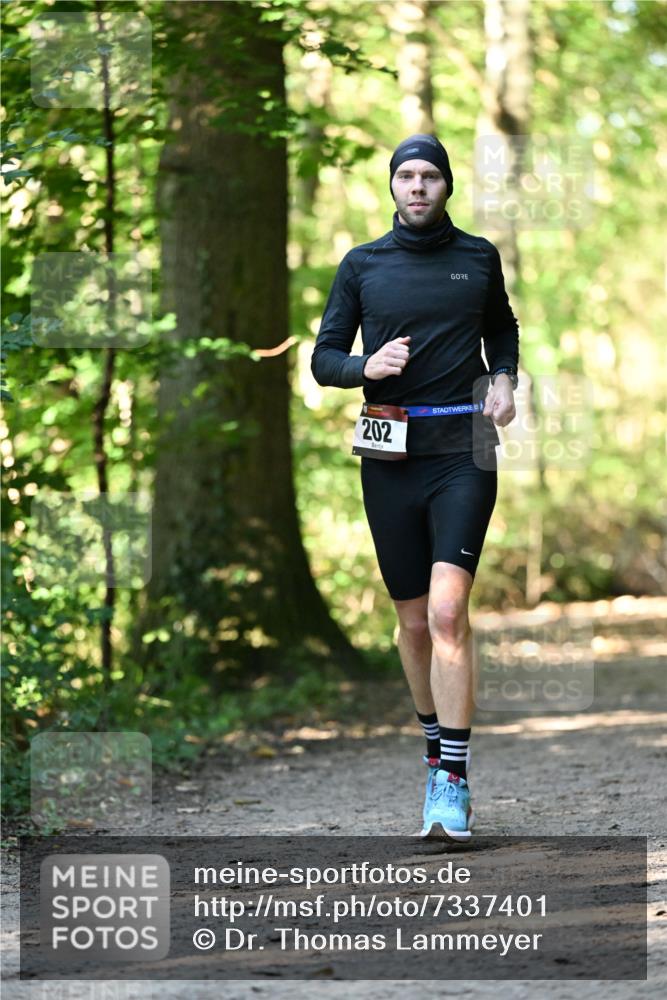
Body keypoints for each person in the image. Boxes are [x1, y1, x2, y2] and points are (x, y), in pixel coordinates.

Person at [310, 134, 519, 842]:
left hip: (464, 447)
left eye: (430, 175)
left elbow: (503, 331)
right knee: (408, 622)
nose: (418, 186)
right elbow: (322, 360)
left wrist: (503, 382)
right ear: (393, 187)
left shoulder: (476, 257)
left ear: (447, 186)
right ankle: (435, 750)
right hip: (388, 451)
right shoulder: (361, 265)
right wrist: (365, 367)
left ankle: (452, 782)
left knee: (445, 614)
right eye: (406, 175)